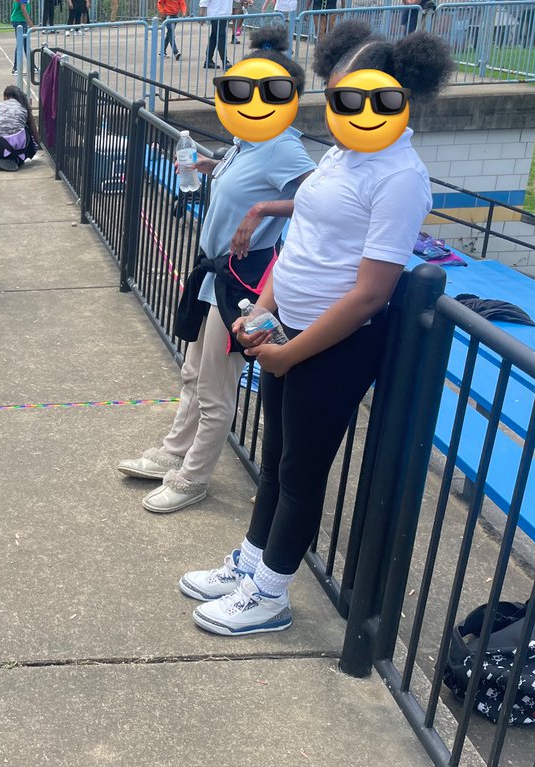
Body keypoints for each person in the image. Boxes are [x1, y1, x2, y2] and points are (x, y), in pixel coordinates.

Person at [182, 22, 453, 635]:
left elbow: (371, 293)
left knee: (301, 471)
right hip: (288, 328)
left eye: (357, 97)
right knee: (275, 459)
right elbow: (298, 245)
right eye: (336, 96)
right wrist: (263, 311)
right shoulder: (341, 154)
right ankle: (251, 563)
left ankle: (270, 594)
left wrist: (293, 352)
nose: (344, 109)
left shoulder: (399, 176)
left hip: (334, 346)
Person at [118, 26, 315, 514]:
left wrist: (262, 210)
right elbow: (238, 176)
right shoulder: (248, 140)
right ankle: (174, 450)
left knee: (215, 387)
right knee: (193, 372)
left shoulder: (281, 146)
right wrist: (206, 165)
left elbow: (317, 199)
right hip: (214, 273)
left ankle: (193, 478)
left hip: (240, 283)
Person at [0, 85, 39, 171]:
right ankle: (16, 160)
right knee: (25, 128)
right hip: (17, 147)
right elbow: (33, 129)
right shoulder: (25, 107)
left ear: (6, 97)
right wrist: (37, 144)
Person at [205, 0, 232, 69]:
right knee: (221, 37)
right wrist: (201, 12)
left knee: (214, 37)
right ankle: (225, 61)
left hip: (222, 14)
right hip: (217, 14)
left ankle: (208, 60)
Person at [11, 0, 34, 74]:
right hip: (20, 20)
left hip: (19, 20)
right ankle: (16, 67)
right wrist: (29, 22)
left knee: (25, 44)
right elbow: (23, 8)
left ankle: (31, 65)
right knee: (21, 44)